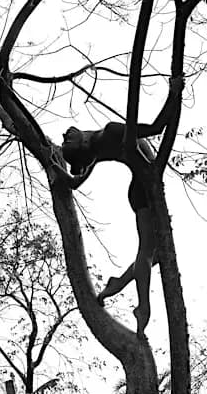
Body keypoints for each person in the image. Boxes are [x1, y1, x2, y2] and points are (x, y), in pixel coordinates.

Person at [61, 78, 182, 336]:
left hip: (141, 189)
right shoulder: (109, 133)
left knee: (155, 255)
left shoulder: (96, 149)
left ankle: (117, 284)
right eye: (67, 142)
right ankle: (143, 308)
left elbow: (75, 180)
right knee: (147, 253)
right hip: (145, 190)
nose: (64, 136)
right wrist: (174, 93)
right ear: (82, 145)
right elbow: (156, 127)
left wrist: (58, 169)